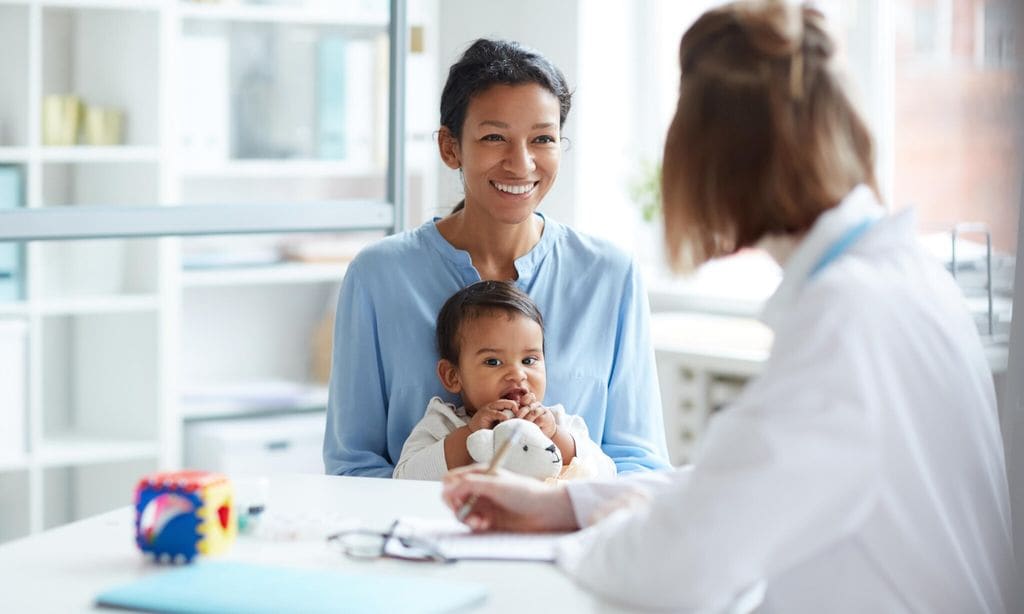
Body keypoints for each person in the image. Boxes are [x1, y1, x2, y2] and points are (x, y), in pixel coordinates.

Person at [441, 3, 1016, 612]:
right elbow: (744, 481)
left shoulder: (849, 318)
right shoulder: (898, 280)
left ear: (716, 156)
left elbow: (683, 564)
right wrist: (566, 504)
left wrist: (597, 531)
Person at [323, 39, 671, 477]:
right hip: (420, 539)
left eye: (542, 138)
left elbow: (641, 466)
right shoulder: (378, 276)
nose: (521, 163)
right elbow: (352, 468)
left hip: (570, 540)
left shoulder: (611, 276)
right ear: (450, 148)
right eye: (494, 137)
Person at [393, 280, 617, 481]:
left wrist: (556, 437)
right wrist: (469, 434)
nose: (517, 374)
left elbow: (607, 473)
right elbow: (404, 479)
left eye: (529, 360)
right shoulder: (443, 423)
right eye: (493, 362)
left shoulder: (559, 421)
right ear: (453, 375)